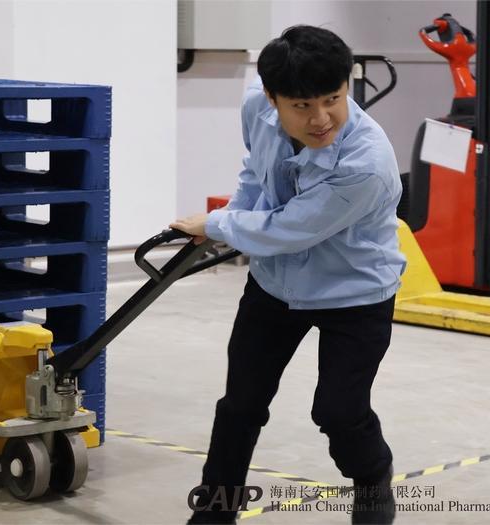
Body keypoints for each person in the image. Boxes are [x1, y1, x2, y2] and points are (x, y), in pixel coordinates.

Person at [171, 25, 406, 525]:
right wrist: (233, 215)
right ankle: (214, 514)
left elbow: (292, 228)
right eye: (302, 106)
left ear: (347, 85)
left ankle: (372, 477)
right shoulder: (256, 107)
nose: (321, 119)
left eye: (333, 100)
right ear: (273, 97)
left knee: (339, 412)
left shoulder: (365, 164)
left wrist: (216, 225)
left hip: (354, 292)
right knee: (241, 404)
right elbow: (256, 175)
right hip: (275, 285)